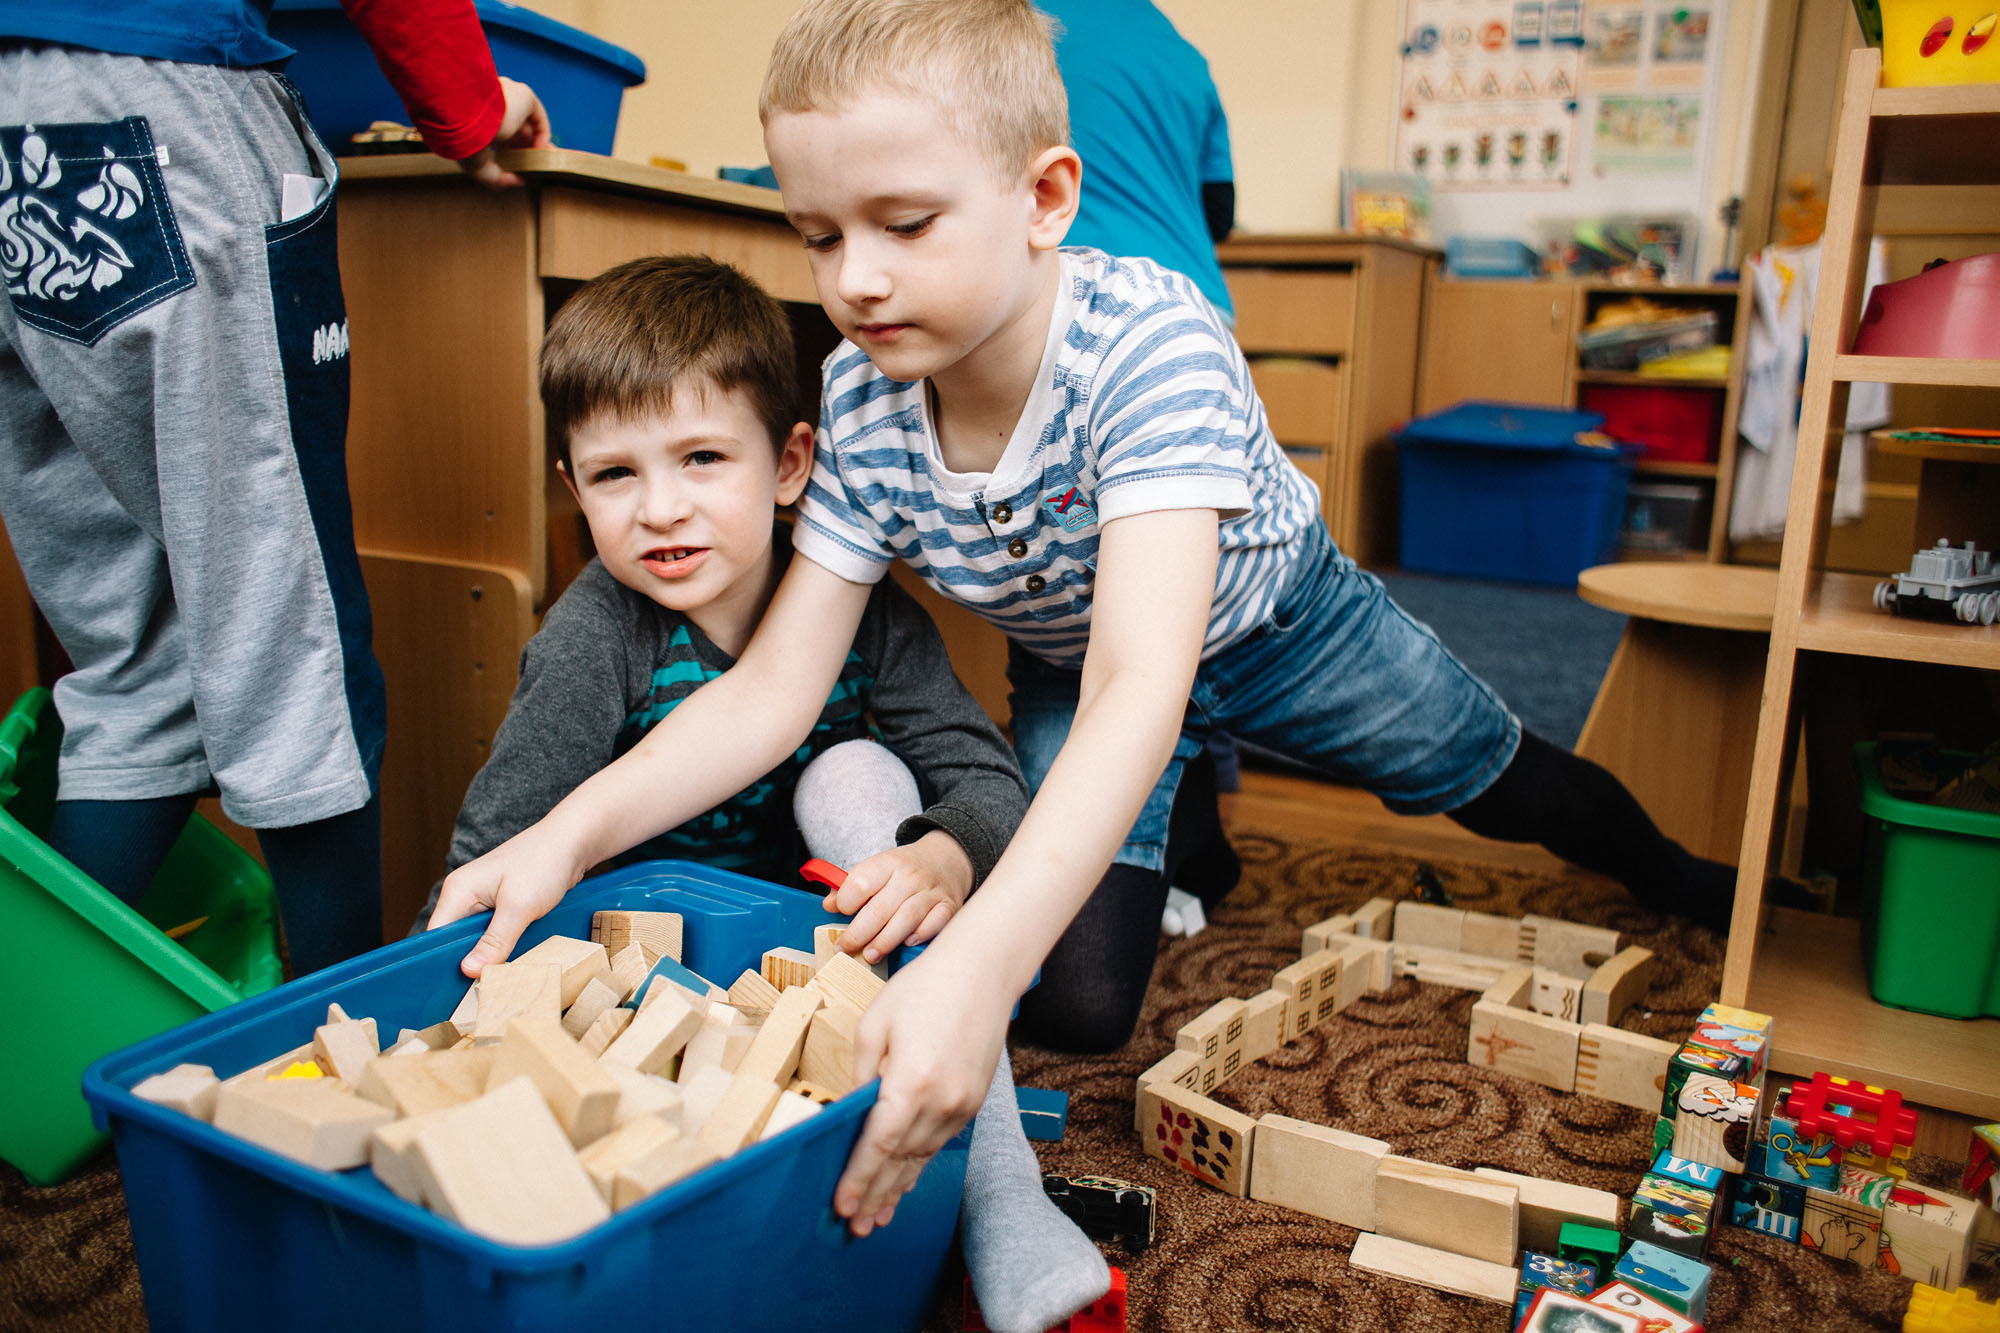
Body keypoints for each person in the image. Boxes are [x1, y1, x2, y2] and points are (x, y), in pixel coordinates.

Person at [433, 0, 1736, 1251]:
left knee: (1499, 779)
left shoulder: (1150, 343)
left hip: (1276, 624)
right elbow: (773, 691)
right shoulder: (863, 406)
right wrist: (563, 835)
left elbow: (1142, 686)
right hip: (1087, 662)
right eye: (820, 236)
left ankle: (1672, 866)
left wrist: (970, 968)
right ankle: (1188, 830)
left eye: (905, 224)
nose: (858, 280)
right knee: (1078, 1001)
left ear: (1046, 198)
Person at [424, 254, 1107, 1333]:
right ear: (572, 488)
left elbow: (985, 777)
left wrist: (940, 855)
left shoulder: (861, 606)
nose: (661, 509)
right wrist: (443, 1020)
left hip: (848, 951)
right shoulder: (594, 637)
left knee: (854, 775)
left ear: (790, 464)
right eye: (614, 475)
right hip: (661, 984)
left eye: (702, 457)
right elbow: (504, 846)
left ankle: (995, 1190)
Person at [0, 0, 551, 976]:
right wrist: (468, 107)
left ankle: (35, 1045)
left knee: (136, 652)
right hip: (163, 99)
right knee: (298, 646)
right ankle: (340, 1039)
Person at [1038, 0, 1236, 318]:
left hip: (1080, 296)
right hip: (1198, 303)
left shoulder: (1018, 24)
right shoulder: (1184, 56)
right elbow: (1220, 213)